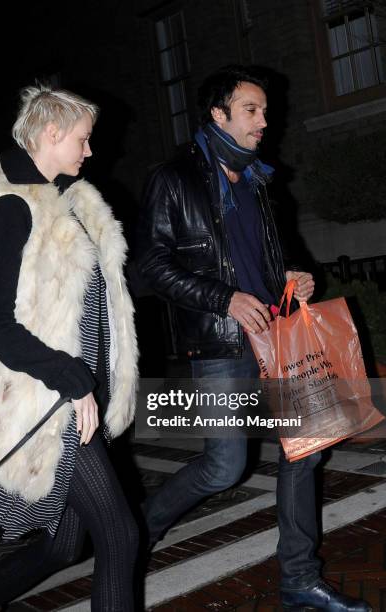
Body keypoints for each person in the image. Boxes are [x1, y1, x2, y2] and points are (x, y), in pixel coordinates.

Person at [137, 66, 371, 612]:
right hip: (222, 342)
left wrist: (292, 274)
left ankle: (299, 579)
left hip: (279, 340)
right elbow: (152, 265)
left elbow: (264, 258)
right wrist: (224, 299)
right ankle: (137, 530)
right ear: (218, 115)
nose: (265, 121)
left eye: (264, 110)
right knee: (223, 466)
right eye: (252, 110)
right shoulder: (173, 179)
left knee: (305, 454)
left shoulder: (258, 180)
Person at [0, 84, 139, 611]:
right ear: (51, 134)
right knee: (120, 537)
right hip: (48, 403)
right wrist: (73, 380)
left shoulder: (67, 201)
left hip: (74, 399)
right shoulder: (13, 207)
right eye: (83, 138)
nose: (89, 150)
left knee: (64, 544)